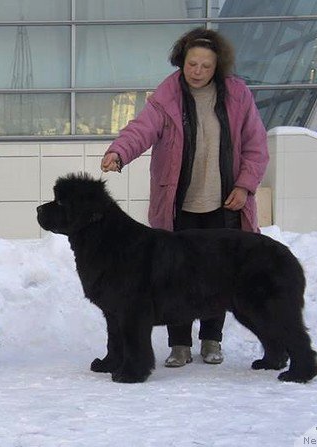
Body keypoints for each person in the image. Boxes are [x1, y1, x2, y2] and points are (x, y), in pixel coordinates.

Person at [100, 27, 269, 368]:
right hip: (179, 206)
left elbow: (256, 145)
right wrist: (119, 152)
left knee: (218, 273)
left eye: (206, 66)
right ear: (182, 61)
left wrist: (244, 186)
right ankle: (179, 345)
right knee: (174, 277)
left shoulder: (237, 95)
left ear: (217, 67)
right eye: (192, 64)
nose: (198, 72)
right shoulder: (167, 95)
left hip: (224, 203)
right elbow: (141, 129)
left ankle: (211, 340)